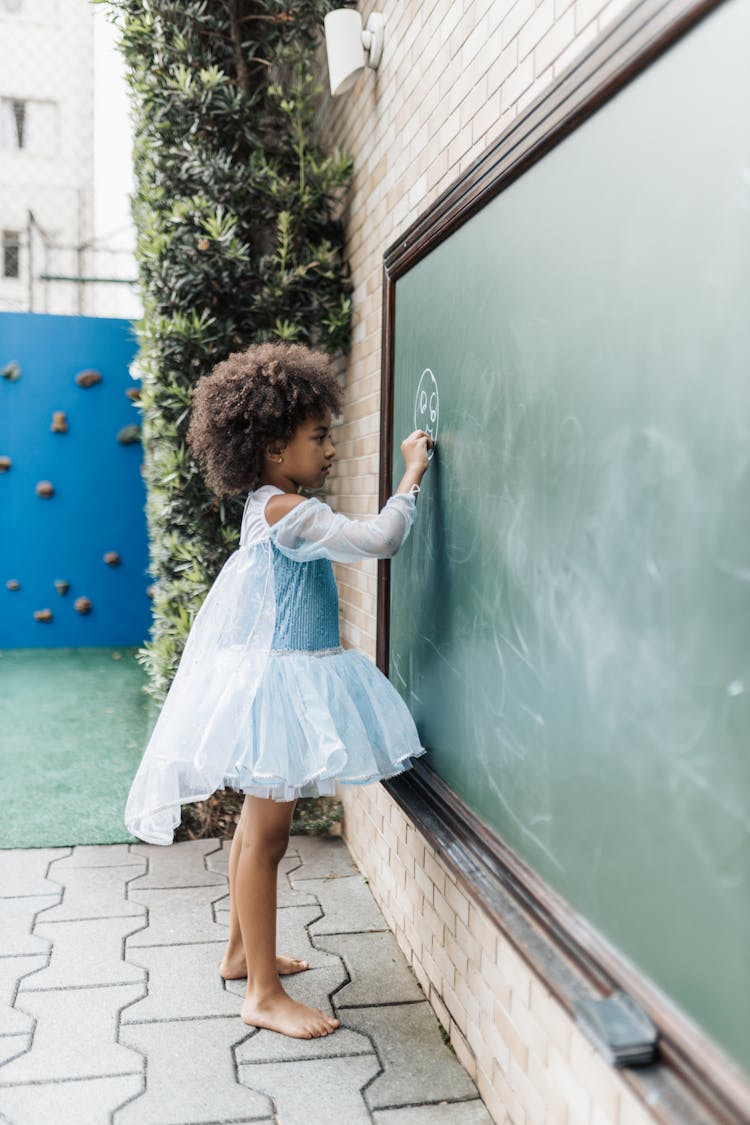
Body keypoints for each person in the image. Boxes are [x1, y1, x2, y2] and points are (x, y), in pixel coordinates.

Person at [124, 341, 432, 1039]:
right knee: (266, 840)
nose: (329, 449)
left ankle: (240, 953)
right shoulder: (291, 513)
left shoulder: (266, 503)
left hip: (275, 686)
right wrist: (410, 475)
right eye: (318, 436)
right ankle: (261, 993)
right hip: (282, 691)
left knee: (254, 835)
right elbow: (378, 538)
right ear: (271, 446)